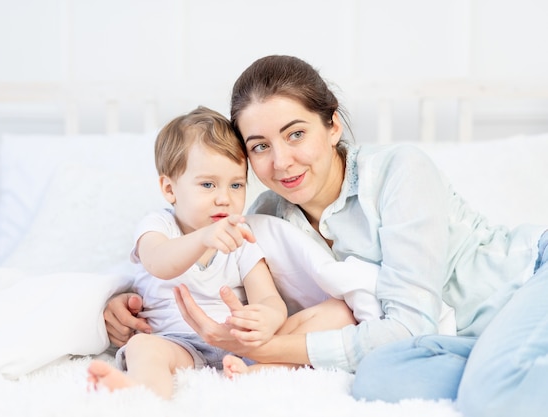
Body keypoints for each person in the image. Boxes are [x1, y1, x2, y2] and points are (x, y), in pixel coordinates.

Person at [103, 56, 548, 416]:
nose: (281, 162)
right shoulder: (267, 222)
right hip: (460, 339)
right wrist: (125, 301)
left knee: (493, 394)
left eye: (296, 134)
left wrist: (272, 349)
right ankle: (502, 367)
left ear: (333, 126)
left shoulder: (399, 172)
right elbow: (236, 290)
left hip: (526, 283)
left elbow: (410, 324)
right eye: (259, 146)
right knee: (377, 379)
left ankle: (500, 375)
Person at [88, 106, 361, 398]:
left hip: (240, 345)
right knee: (143, 347)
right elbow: (159, 262)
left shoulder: (242, 237)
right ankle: (145, 393)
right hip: (177, 345)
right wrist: (204, 238)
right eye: (208, 185)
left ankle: (256, 372)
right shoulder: (159, 226)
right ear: (169, 189)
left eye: (236, 185)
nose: (224, 198)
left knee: (339, 312)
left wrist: (264, 317)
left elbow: (268, 297)